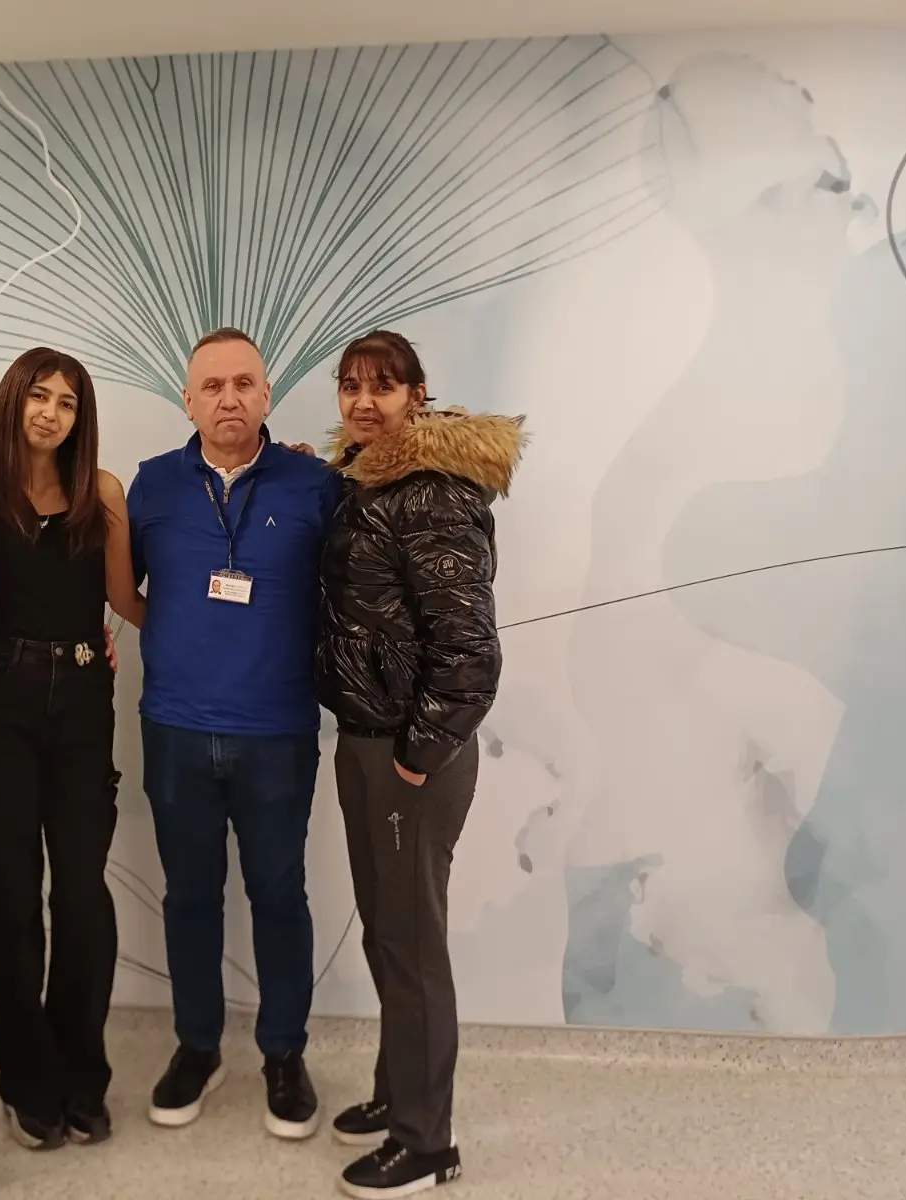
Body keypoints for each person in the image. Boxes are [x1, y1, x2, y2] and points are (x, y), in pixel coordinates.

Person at [315, 331, 524, 1199]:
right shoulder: (366, 482)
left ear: (418, 395)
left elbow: (470, 653)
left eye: (384, 386)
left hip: (408, 754)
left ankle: (427, 1143)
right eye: (352, 386)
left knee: (411, 943)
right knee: (387, 933)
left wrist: (416, 758)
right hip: (366, 737)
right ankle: (400, 1091)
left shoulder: (429, 492)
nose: (365, 401)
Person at [126, 327, 344, 1140]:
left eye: (244, 383)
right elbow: (120, 588)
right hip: (175, 729)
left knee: (279, 896)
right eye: (212, 386)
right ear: (188, 400)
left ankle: (283, 1054)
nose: (229, 398)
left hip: (277, 732)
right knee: (190, 897)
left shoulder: (315, 485)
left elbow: (349, 598)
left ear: (267, 395)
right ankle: (197, 1046)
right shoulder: (151, 485)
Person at [0, 347, 146, 1152]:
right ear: (14, 400)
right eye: (39, 396)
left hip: (84, 702)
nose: (51, 413)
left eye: (67, 402)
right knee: (9, 898)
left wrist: (226, 609)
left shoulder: (104, 492)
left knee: (80, 894)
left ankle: (81, 1077)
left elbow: (125, 599)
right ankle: (26, 1081)